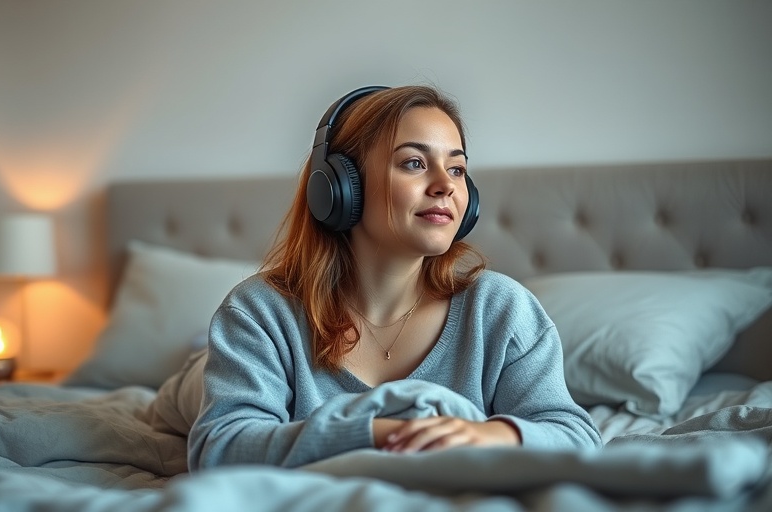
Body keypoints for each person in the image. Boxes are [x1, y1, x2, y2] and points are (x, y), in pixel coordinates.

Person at [187, 85, 602, 471]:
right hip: (196, 381)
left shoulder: (500, 309)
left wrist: (488, 434)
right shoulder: (258, 311)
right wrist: (383, 432)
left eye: (457, 170)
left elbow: (576, 436)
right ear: (339, 188)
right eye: (414, 163)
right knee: (185, 385)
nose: (445, 186)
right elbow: (219, 447)